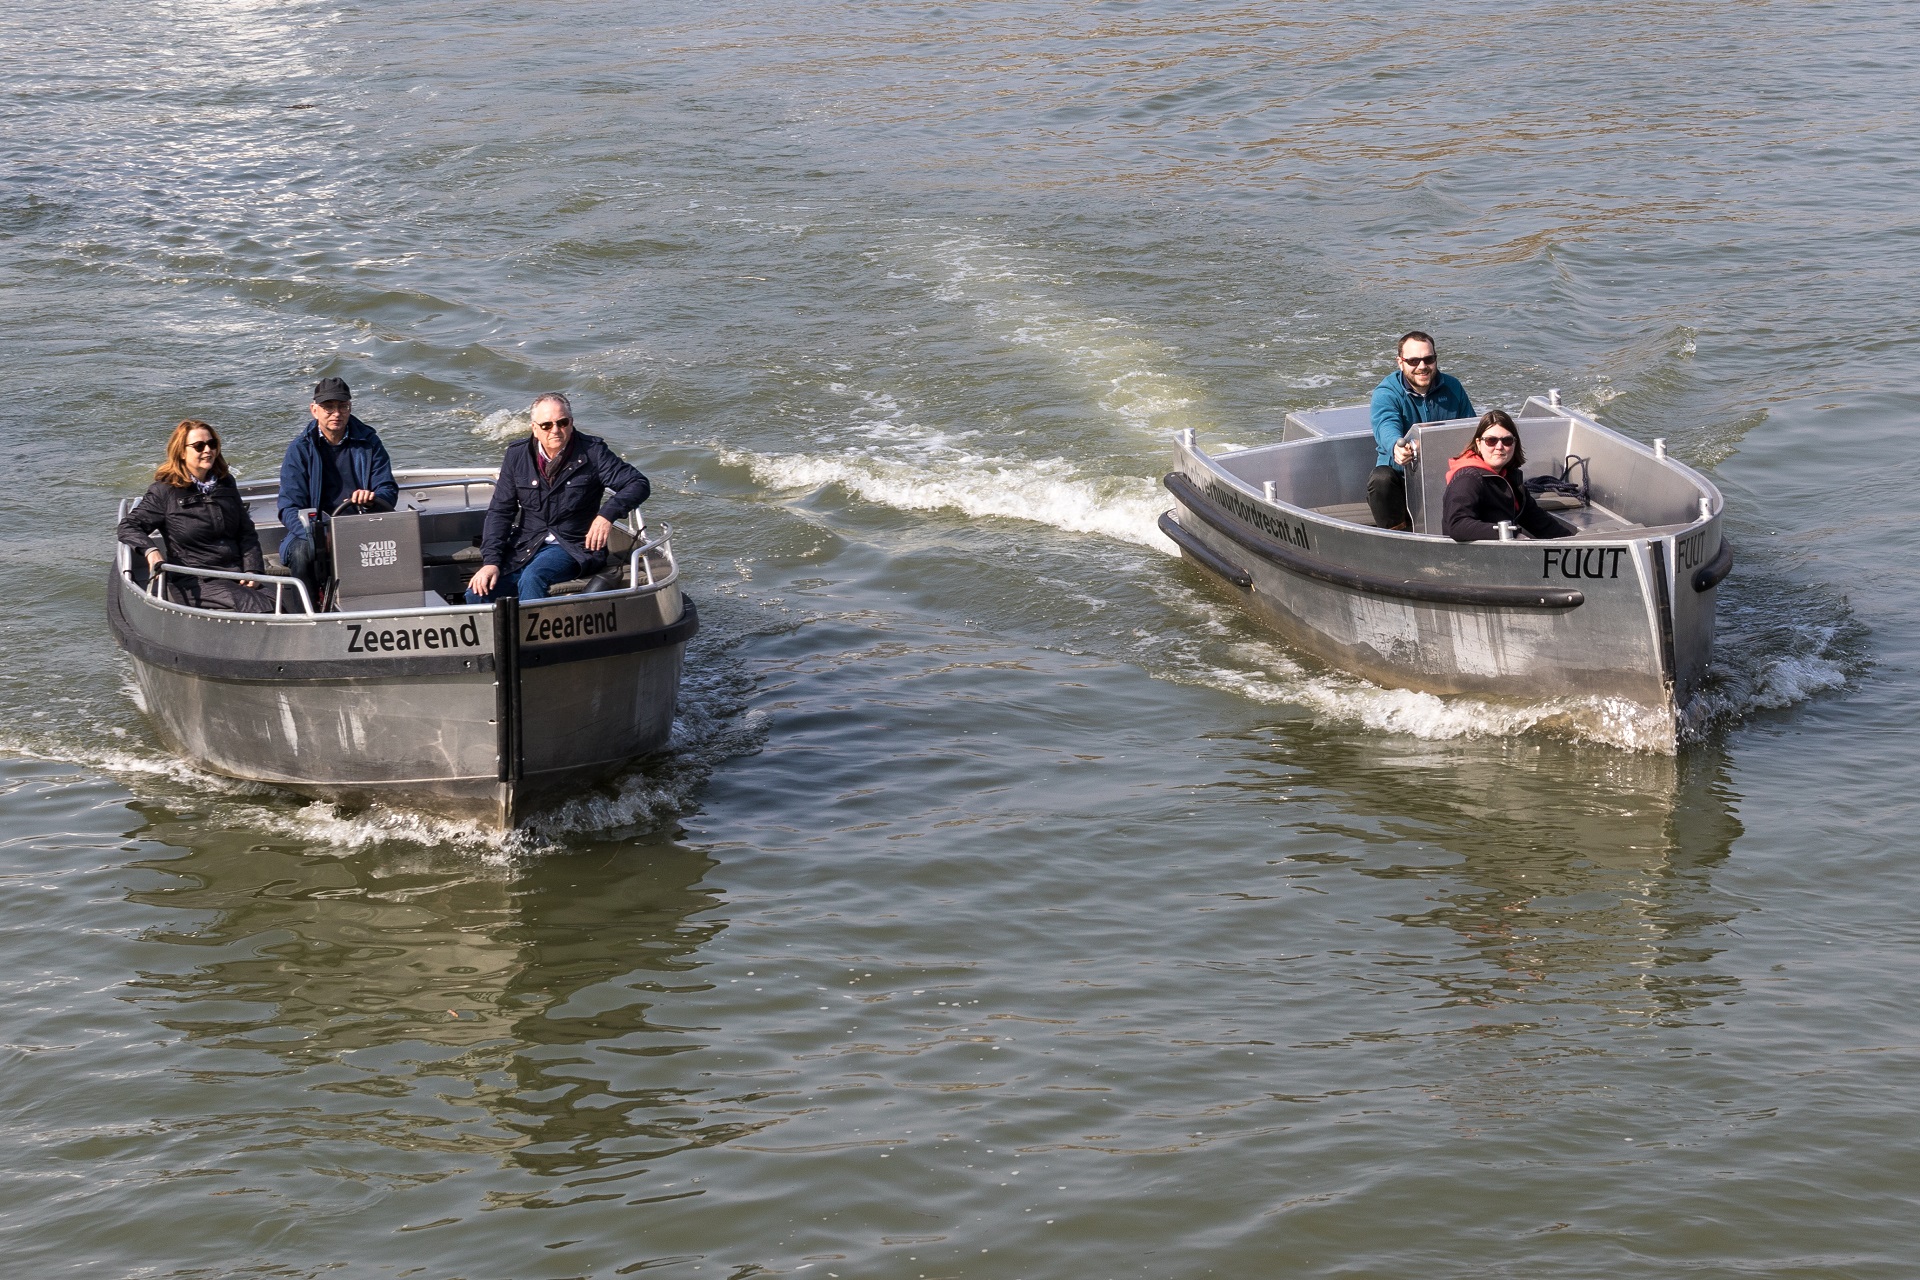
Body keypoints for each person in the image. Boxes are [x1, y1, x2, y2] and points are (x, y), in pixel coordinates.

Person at [466, 393, 651, 604]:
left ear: (571, 423)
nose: (555, 430)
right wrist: (491, 561)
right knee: (478, 591)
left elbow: (638, 483)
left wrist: (606, 515)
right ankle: (490, 634)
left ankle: (532, 635)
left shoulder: (593, 452)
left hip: (573, 546)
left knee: (533, 577)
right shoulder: (516, 455)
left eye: (562, 423)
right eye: (546, 425)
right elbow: (500, 511)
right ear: (534, 428)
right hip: (525, 544)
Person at [118, 420, 280, 613]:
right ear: (181, 452)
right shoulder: (165, 491)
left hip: (234, 573)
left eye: (212, 444)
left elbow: (246, 532)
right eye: (199, 446)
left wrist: (253, 570)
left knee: (277, 604)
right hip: (196, 578)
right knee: (261, 607)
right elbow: (128, 525)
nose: (207, 450)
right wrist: (150, 550)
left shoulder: (226, 483)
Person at [276, 376, 398, 603]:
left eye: (342, 406)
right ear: (314, 410)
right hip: (312, 531)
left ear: (350, 408)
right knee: (302, 553)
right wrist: (319, 537)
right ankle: (310, 614)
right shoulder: (299, 449)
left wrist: (373, 499)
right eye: (328, 407)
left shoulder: (370, 442)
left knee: (396, 546)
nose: (336, 413)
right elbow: (288, 507)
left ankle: (382, 609)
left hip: (360, 526)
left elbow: (388, 490)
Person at [1368, 330, 1475, 530]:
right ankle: (1397, 536)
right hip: (1402, 478)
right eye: (1413, 361)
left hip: (1446, 475)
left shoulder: (1454, 387)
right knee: (1381, 479)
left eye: (1428, 359)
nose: (1422, 366)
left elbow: (1470, 430)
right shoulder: (1387, 392)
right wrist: (1396, 448)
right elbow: (1385, 425)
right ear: (1400, 362)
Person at [1442, 411, 1576, 542]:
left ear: (1515, 443)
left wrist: (1571, 542)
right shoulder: (1468, 479)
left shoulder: (1509, 477)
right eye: (1491, 440)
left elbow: (1535, 518)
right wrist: (1509, 534)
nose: (1499, 446)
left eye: (1507, 440)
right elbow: (1456, 525)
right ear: (1478, 443)